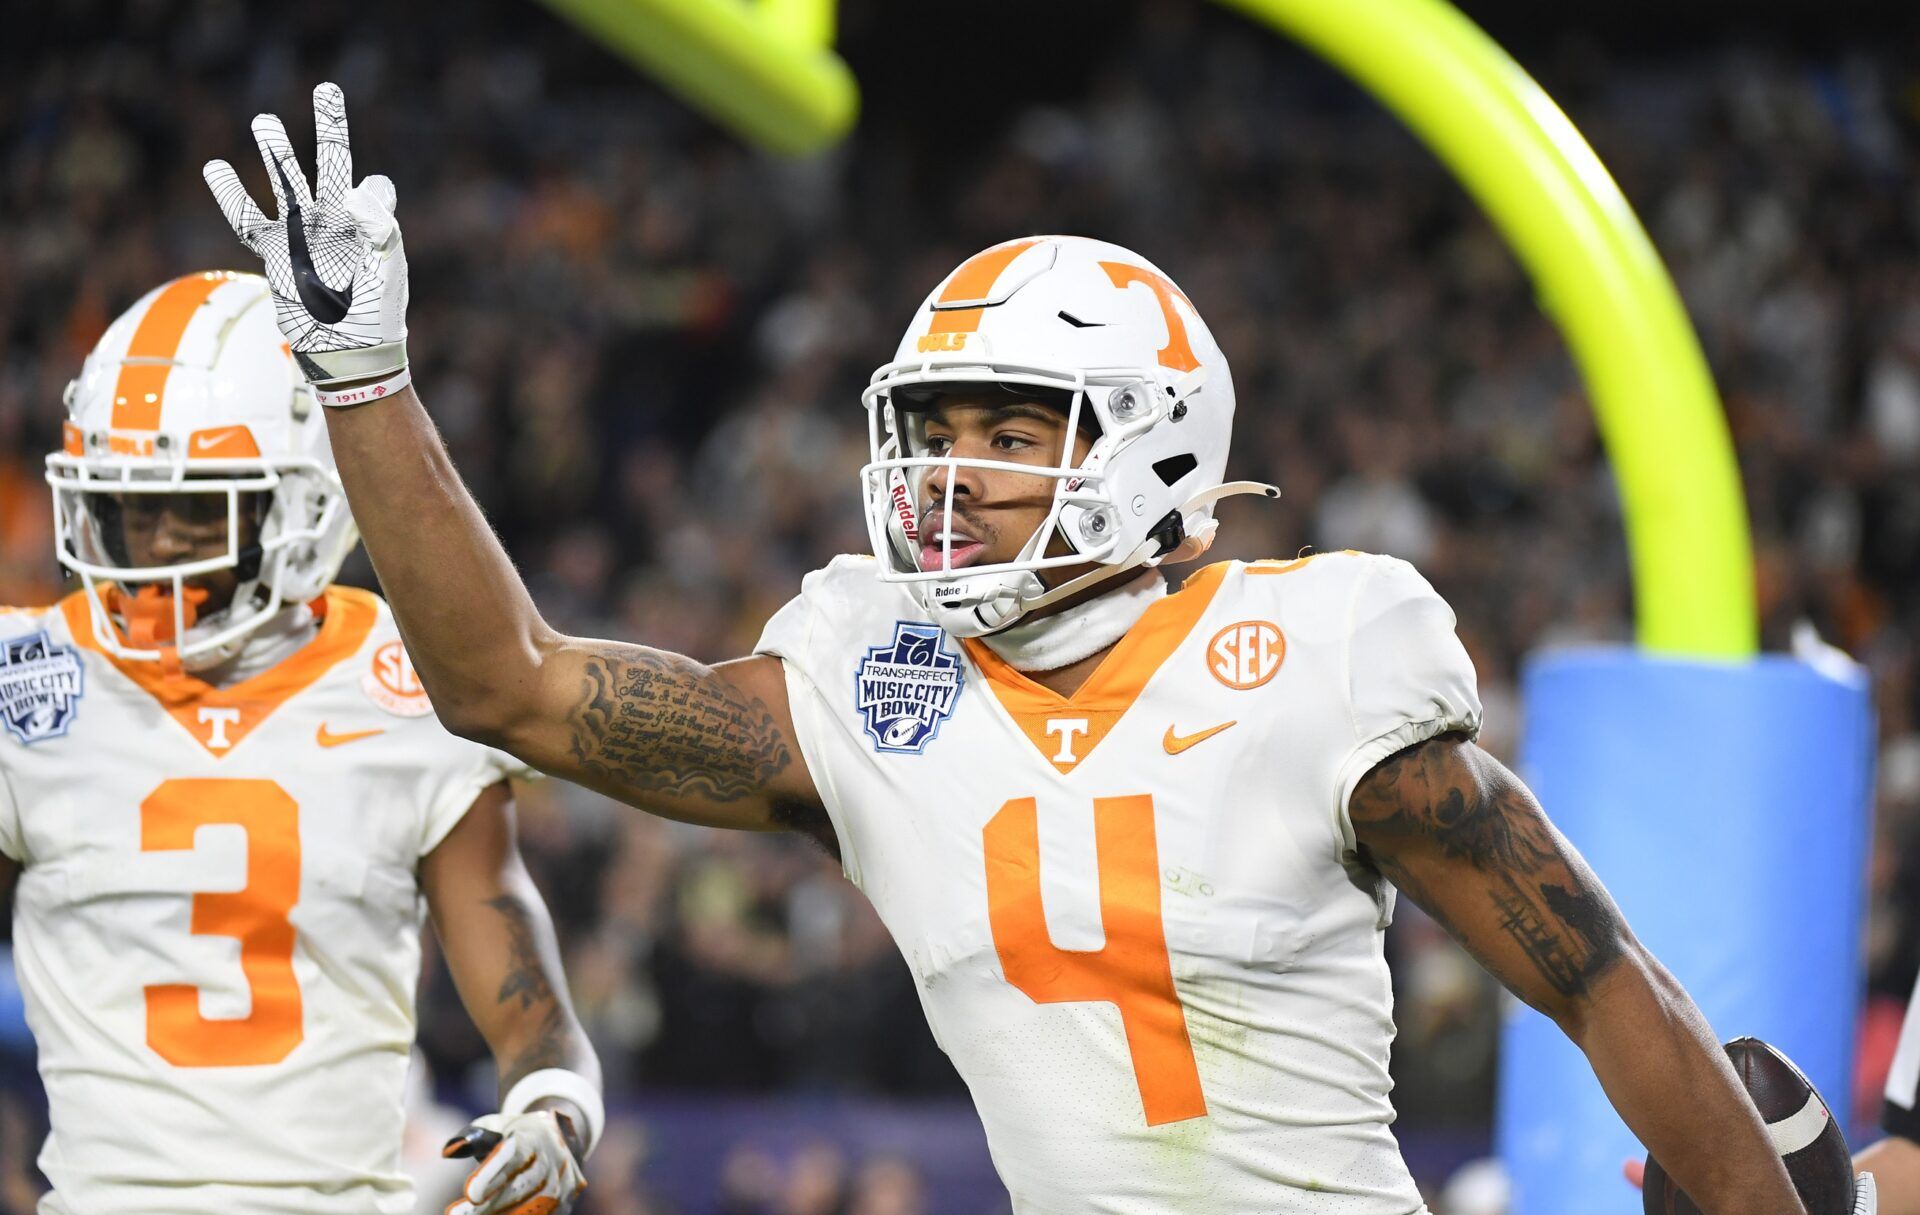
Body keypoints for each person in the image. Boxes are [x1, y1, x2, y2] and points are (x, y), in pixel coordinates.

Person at [206, 82, 1808, 1212]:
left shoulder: (1314, 651)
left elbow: (1601, 979)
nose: (952, 473)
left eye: (1011, 429)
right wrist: (363, 379)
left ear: (1154, 447)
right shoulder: (859, 677)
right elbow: (512, 686)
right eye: (932, 429)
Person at [0, 269, 601, 1215]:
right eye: (124, 505)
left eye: (195, 506)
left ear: (306, 505)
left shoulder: (415, 680)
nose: (151, 545)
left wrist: (550, 1110)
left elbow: (531, 1011)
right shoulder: (28, 681)